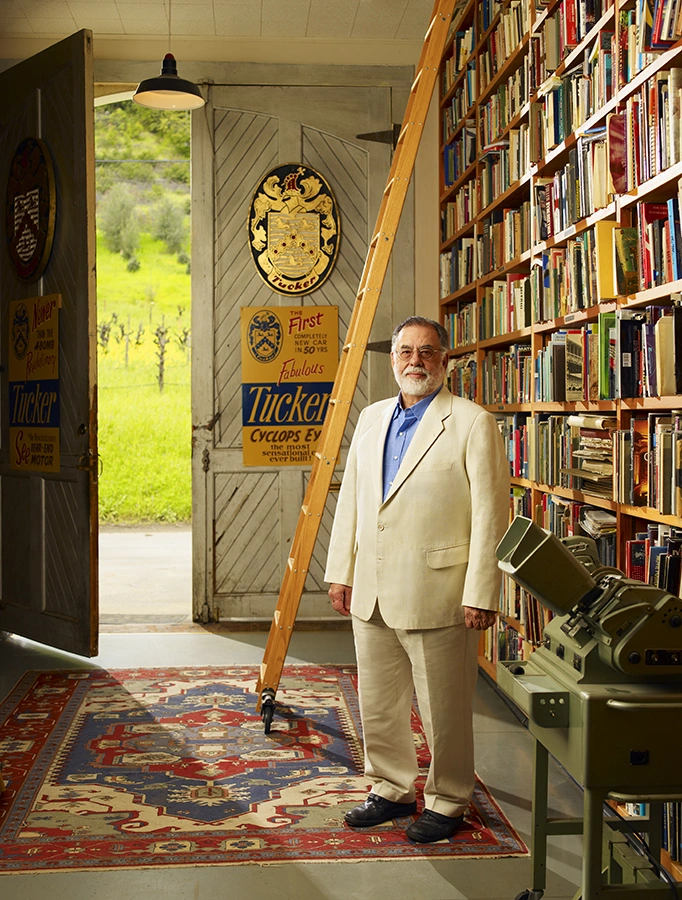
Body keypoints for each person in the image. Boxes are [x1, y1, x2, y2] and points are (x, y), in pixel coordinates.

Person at [324, 315, 509, 843]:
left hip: (440, 593)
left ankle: (448, 800)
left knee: (443, 709)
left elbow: (490, 515)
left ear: (444, 361)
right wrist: (341, 572)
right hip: (372, 589)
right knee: (378, 703)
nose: (415, 361)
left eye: (427, 352)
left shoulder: (472, 422)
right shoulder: (371, 418)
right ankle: (390, 788)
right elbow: (353, 501)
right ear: (393, 360)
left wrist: (481, 592)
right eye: (406, 352)